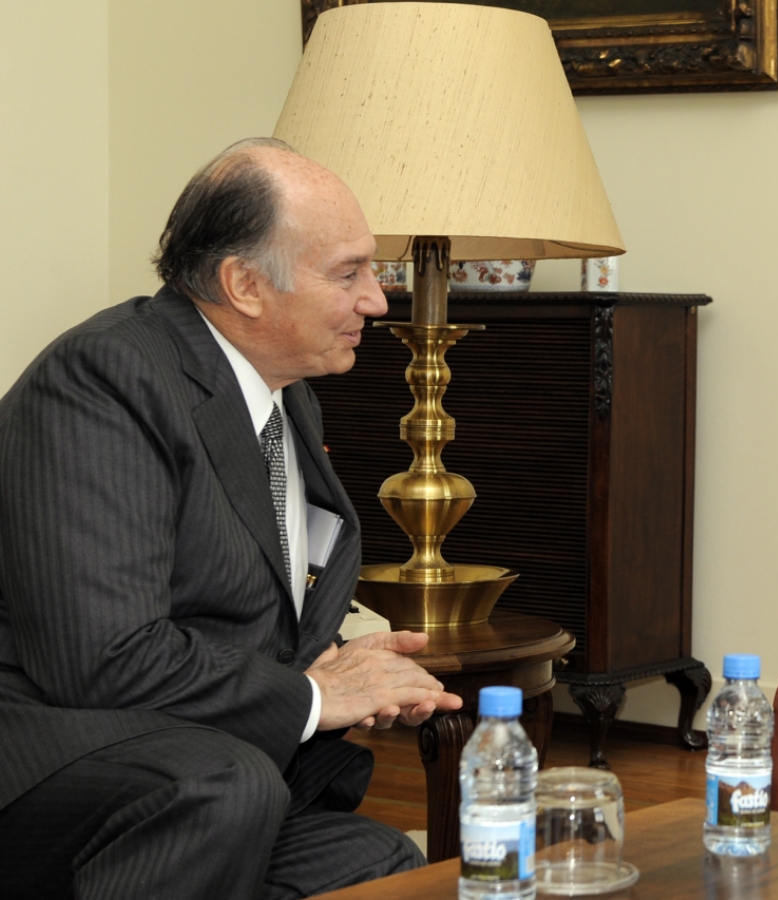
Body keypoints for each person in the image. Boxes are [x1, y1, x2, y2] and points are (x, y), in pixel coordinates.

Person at [0, 138, 464, 898]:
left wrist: (346, 671)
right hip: (47, 747)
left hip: (195, 752)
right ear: (244, 284)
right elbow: (102, 657)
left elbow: (255, 596)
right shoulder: (104, 378)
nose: (378, 300)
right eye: (349, 273)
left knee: (374, 865)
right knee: (227, 784)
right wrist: (315, 698)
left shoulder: (282, 394)